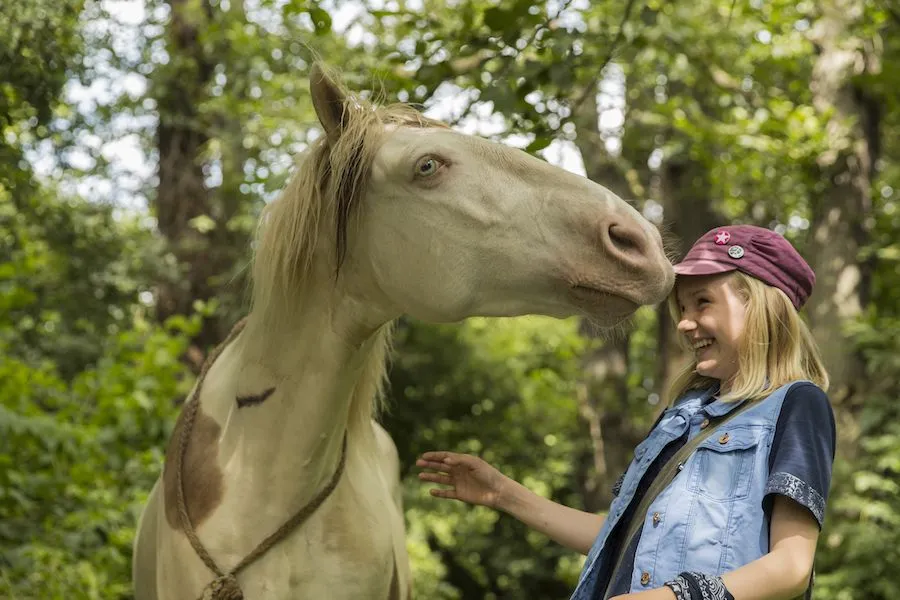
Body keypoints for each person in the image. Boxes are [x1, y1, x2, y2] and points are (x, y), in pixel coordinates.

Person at [417, 225, 836, 600]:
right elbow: (622, 538)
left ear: (760, 306)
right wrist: (503, 494)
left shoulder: (797, 403)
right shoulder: (684, 414)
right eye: (683, 309)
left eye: (702, 303)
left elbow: (791, 568)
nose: (684, 324)